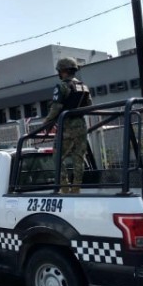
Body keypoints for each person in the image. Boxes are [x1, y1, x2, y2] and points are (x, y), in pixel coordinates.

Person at [41, 57, 93, 193]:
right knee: (79, 158)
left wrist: (46, 122)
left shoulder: (62, 86)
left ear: (63, 70)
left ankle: (64, 186)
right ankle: (76, 188)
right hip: (81, 126)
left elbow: (56, 107)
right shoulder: (84, 86)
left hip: (66, 127)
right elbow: (89, 105)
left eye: (59, 70)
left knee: (57, 156)